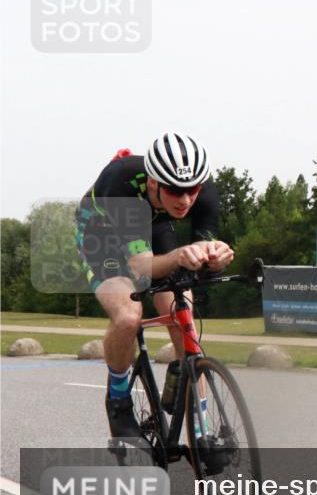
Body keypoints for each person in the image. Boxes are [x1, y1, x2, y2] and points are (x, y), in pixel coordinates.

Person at [75, 133, 234, 438]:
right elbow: (139, 266)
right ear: (152, 183)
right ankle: (118, 399)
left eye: (192, 190)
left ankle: (199, 429)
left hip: (152, 224)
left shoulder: (204, 193)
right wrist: (178, 255)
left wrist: (216, 256)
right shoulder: (120, 184)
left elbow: (201, 254)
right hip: (101, 233)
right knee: (128, 316)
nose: (186, 200)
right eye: (175, 191)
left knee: (180, 309)